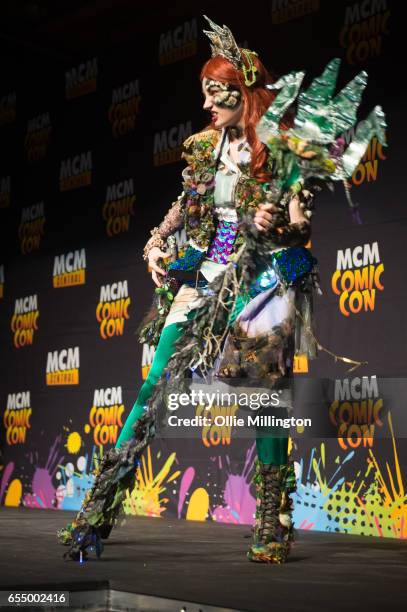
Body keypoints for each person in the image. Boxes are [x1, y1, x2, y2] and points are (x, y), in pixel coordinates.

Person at [57, 16, 385, 564]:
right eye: (205, 94)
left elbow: (302, 224)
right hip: (208, 275)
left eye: (216, 94)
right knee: (152, 389)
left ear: (245, 93)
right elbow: (184, 209)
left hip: (263, 276)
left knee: (263, 399)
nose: (207, 104)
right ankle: (96, 513)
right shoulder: (204, 150)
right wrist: (156, 244)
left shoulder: (280, 149)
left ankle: (273, 519)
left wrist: (278, 222)